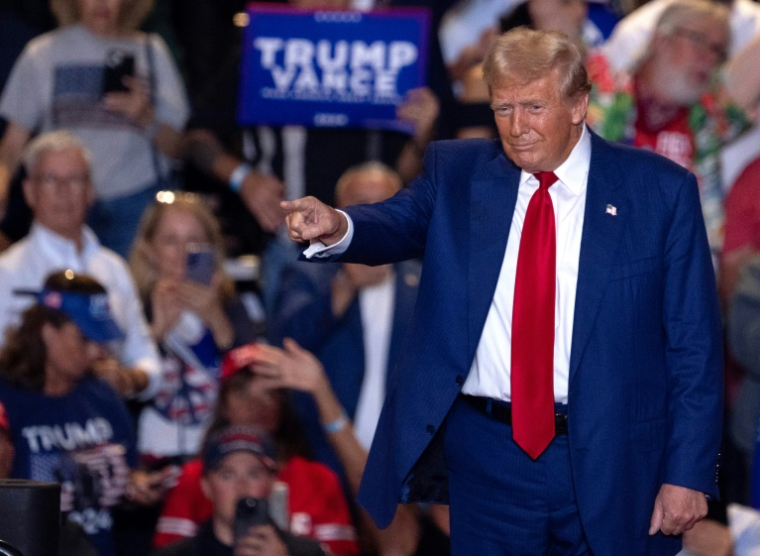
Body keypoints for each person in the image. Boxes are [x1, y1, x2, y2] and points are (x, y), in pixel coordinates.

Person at [281, 27, 723, 556]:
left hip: (614, 455)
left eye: (534, 107)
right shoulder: (460, 172)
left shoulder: (659, 191)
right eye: (503, 108)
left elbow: (694, 345)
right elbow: (394, 222)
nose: (517, 128)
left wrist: (688, 471)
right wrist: (335, 224)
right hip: (488, 456)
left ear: (579, 103)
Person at [0, 270, 171, 556]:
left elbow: (128, 477)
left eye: (101, 340)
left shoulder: (103, 396)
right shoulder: (6, 400)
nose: (98, 353)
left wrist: (137, 488)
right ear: (48, 331)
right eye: (84, 339)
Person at [0, 0, 189, 256]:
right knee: (63, 288)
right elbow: (13, 142)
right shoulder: (43, 53)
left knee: (129, 290)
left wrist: (145, 116)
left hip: (135, 202)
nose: (102, 3)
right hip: (65, 199)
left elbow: (178, 149)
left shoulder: (151, 52)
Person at [585, 0, 760, 265]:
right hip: (600, 258)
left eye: (718, 51)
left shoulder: (706, 123)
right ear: (659, 40)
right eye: (699, 40)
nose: (709, 58)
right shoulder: (596, 101)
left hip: (678, 272)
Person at [270, 163, 421, 468]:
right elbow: (284, 344)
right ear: (337, 211)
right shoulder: (309, 273)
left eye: (386, 202)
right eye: (361, 204)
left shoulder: (425, 279)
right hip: (325, 457)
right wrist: (344, 286)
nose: (374, 213)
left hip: (404, 462)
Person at [0, 130, 161, 400]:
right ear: (29, 192)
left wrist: (126, 380)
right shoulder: (6, 272)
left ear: (91, 191)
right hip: (31, 420)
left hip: (106, 422)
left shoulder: (114, 268)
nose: (63, 191)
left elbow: (146, 359)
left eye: (74, 179)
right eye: (51, 179)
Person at [153, 356, 358, 555]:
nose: (256, 406)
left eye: (268, 393)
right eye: (243, 393)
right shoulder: (192, 478)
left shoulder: (319, 479)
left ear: (273, 482)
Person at [128, 191, 259, 463]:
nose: (182, 254)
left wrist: (218, 322)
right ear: (149, 250)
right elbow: (121, 393)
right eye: (170, 241)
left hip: (220, 462)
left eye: (194, 242)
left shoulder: (232, 307)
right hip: (150, 459)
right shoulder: (134, 307)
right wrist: (156, 332)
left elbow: (255, 393)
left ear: (212, 248)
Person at [152, 425, 328, 556]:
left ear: (272, 483)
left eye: (254, 474)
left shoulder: (308, 552)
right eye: (228, 475)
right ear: (206, 487)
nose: (242, 487)